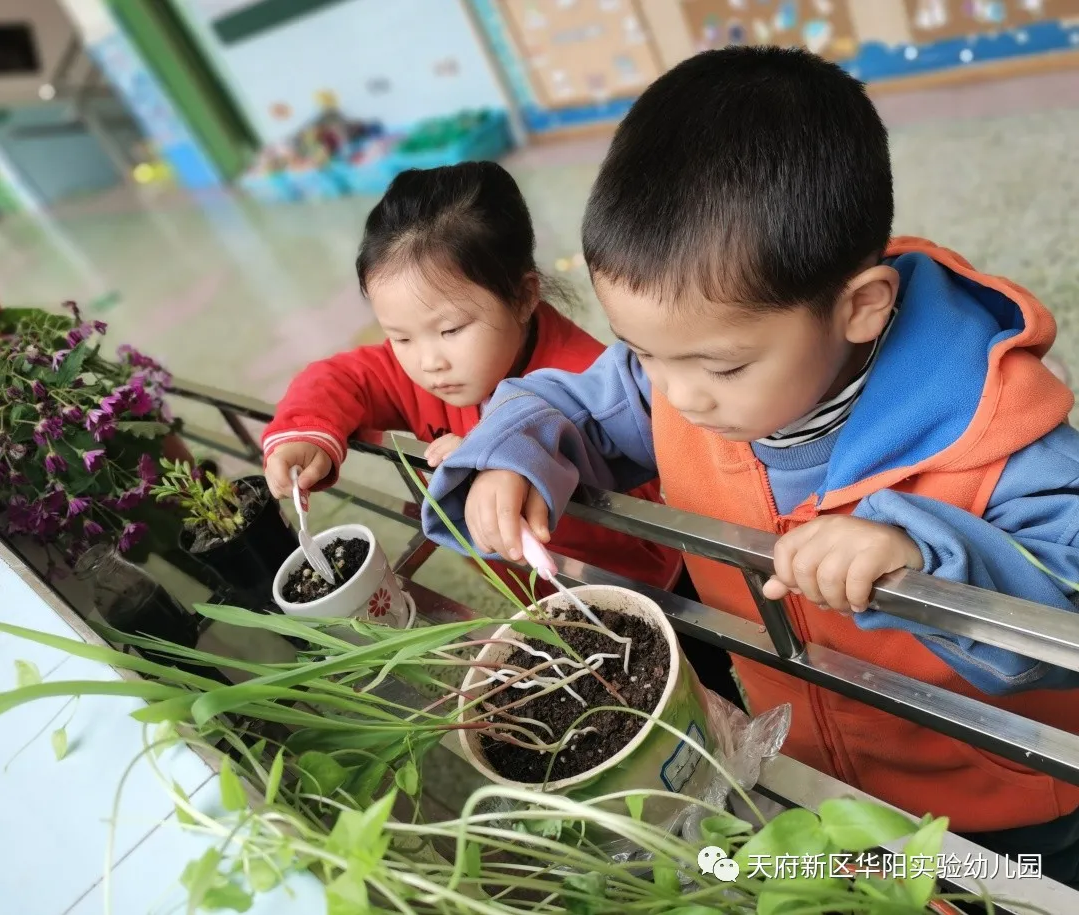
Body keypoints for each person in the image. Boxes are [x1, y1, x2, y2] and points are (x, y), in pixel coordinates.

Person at [420, 49, 1079, 884]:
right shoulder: (678, 365)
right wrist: (512, 455)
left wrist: (924, 556)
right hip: (818, 777)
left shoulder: (1001, 437)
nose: (675, 395)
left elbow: (1063, 611)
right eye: (642, 353)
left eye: (721, 368)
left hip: (1007, 808)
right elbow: (572, 402)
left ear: (860, 307)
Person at [261, 161, 683, 602]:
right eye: (399, 336)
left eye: (451, 330)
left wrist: (500, 452)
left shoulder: (586, 380)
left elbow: (618, 475)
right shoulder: (426, 373)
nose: (428, 362)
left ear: (522, 297)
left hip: (631, 581)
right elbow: (344, 378)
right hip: (525, 580)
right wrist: (305, 430)